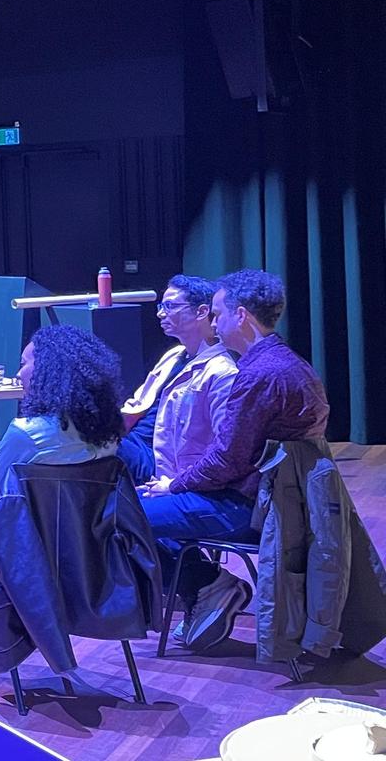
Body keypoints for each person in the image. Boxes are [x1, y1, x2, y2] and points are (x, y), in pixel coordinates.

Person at [143, 269, 329, 652]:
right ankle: (209, 587)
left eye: (217, 314)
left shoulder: (258, 375)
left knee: (119, 516)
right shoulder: (288, 364)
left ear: (240, 316)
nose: (213, 324)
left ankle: (209, 585)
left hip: (250, 510)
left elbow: (227, 461)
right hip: (278, 503)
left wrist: (173, 485)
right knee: (133, 505)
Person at [0, 325, 125, 598]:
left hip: (33, 535)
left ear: (48, 371)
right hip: (83, 528)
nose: (18, 374)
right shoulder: (107, 428)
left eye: (23, 365)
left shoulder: (28, 432)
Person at [115, 276, 238, 486]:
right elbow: (137, 404)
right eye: (161, 306)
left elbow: (224, 445)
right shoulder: (174, 355)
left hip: (158, 461)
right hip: (132, 441)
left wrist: (177, 482)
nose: (160, 313)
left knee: (87, 441)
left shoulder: (222, 370)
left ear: (201, 312)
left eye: (170, 306)